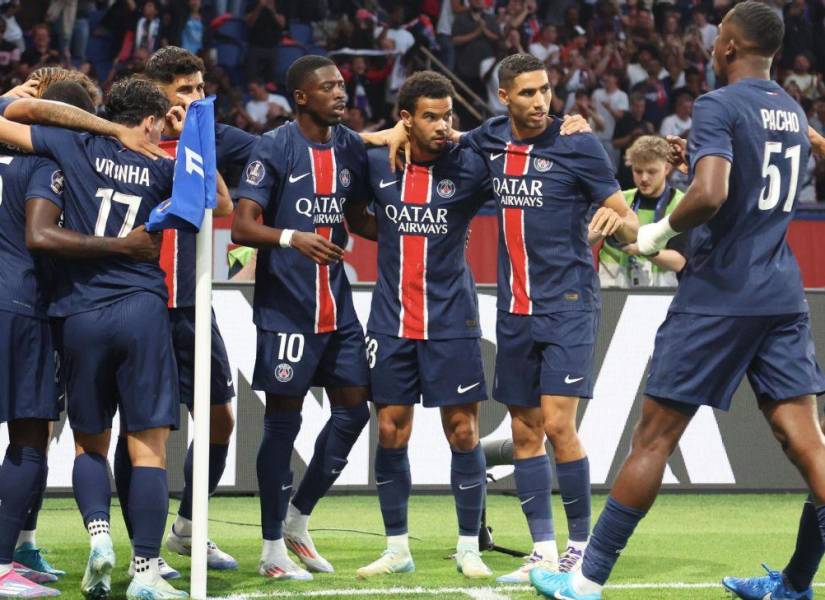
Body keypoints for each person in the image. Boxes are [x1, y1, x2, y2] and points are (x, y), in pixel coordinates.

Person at [530, 3, 825, 599]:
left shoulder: (717, 104)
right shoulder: (793, 110)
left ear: (732, 46)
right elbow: (739, 184)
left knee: (654, 440)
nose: (714, 45)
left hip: (717, 296)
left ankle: (584, 582)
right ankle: (794, 585)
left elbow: (712, 195)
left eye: (720, 38)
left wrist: (653, 233)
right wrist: (702, 172)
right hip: (780, 293)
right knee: (808, 444)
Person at [0, 76, 196, 600]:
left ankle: (99, 538)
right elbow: (217, 202)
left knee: (90, 444)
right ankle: (147, 574)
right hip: (142, 308)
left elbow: (8, 116)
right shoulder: (163, 165)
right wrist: (188, 132)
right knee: (149, 450)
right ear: (153, 120)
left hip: (79, 312)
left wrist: (99, 125)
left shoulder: (72, 144)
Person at [452, 53, 638, 583]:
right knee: (524, 430)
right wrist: (391, 133)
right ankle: (543, 549)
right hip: (514, 310)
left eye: (546, 90)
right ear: (504, 97)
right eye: (528, 93)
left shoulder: (579, 143)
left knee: (559, 426)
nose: (541, 102)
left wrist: (616, 220)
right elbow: (436, 141)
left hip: (569, 306)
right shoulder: (489, 140)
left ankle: (581, 547)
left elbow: (626, 223)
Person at [232, 55, 376, 581]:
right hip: (286, 309)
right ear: (301, 97)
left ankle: (298, 519)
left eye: (343, 85)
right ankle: (271, 548)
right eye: (330, 87)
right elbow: (243, 228)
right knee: (282, 422)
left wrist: (408, 229)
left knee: (355, 412)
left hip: (337, 307)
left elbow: (358, 214)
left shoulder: (351, 147)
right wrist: (293, 237)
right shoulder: (273, 147)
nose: (342, 93)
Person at [353, 71, 493, 580]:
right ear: (406, 119)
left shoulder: (470, 166)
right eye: (430, 117)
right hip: (392, 322)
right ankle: (397, 548)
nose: (442, 126)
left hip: (453, 321)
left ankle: (468, 546)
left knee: (462, 431)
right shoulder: (376, 162)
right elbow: (338, 158)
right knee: (391, 431)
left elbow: (513, 145)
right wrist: (381, 136)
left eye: (448, 115)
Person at [131, 44, 256, 576]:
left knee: (222, 419)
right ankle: (146, 550)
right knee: (140, 431)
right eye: (184, 90)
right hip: (143, 301)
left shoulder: (202, 139)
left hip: (192, 303)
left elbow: (223, 205)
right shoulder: (132, 140)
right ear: (157, 93)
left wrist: (196, 137)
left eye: (200, 88)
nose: (195, 98)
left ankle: (188, 528)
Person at [593, 135, 687, 288]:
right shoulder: (618, 200)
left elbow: (680, 262)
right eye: (638, 171)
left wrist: (645, 250)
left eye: (651, 172)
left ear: (667, 168)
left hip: (661, 295)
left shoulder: (681, 204)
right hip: (612, 291)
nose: (644, 178)